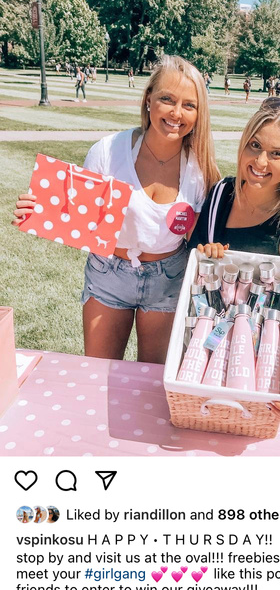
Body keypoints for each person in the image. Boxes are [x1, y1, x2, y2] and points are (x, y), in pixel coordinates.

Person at [13, 56, 220, 364]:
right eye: (167, 99)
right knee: (98, 373)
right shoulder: (108, 151)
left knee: (152, 381)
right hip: (108, 273)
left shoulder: (201, 168)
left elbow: (201, 236)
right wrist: (36, 210)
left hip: (169, 278)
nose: (177, 113)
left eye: (189, 105)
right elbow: (76, 214)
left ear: (199, 113)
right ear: (148, 99)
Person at [188, 97, 280, 421]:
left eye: (276, 154)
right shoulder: (219, 197)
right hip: (204, 358)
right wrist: (206, 258)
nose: (260, 161)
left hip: (261, 370)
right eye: (254, 145)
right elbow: (193, 271)